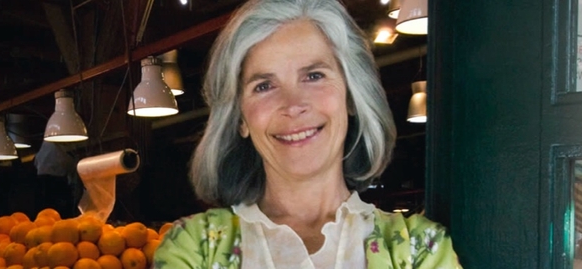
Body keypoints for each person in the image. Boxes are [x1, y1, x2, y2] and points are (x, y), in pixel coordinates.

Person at [152, 0, 460, 268]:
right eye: (264, 86)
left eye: (314, 75)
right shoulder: (194, 248)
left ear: (351, 96)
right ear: (240, 119)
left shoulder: (421, 248)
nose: (293, 105)